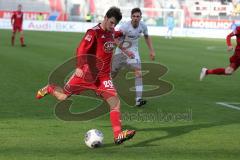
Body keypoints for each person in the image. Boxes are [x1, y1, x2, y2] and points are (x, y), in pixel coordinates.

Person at [36, 7, 135, 145]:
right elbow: (81, 49)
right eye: (111, 22)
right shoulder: (93, 32)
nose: (113, 26)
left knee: (115, 102)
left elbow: (115, 39)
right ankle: (50, 88)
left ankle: (118, 135)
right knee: (63, 96)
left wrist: (125, 50)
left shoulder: (111, 32)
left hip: (103, 77)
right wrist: (79, 66)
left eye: (115, 24)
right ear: (105, 18)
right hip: (86, 75)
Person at [111, 7, 155, 107]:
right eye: (134, 16)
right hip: (121, 51)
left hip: (134, 52)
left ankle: (138, 100)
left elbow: (147, 36)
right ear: (131, 17)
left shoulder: (143, 26)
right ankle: (103, 89)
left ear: (141, 17)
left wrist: (151, 51)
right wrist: (126, 51)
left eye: (137, 16)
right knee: (113, 73)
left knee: (138, 72)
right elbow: (116, 40)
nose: (135, 18)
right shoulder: (125, 27)